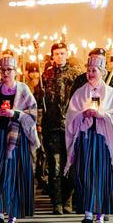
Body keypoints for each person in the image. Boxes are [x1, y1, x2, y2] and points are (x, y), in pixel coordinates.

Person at [65, 53, 113, 223]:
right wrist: (82, 115)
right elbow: (71, 116)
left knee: (101, 176)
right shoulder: (80, 93)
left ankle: (100, 214)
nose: (91, 73)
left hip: (103, 142)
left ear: (102, 72)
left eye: (94, 70)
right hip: (85, 140)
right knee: (85, 174)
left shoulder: (110, 93)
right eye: (89, 70)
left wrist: (102, 115)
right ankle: (87, 212)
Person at [0, 55, 39, 223]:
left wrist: (15, 114)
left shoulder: (23, 90)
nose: (5, 73)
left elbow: (33, 114)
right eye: (3, 70)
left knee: (15, 176)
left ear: (16, 71)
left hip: (17, 138)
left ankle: (12, 217)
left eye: (9, 70)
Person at [38, 42, 79, 214]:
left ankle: (68, 200)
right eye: (56, 54)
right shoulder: (46, 75)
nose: (60, 56)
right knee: (54, 166)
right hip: (51, 127)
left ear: (67, 54)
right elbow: (38, 103)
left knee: (69, 165)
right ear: (52, 56)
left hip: (70, 126)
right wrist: (39, 93)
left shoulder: (76, 75)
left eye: (62, 53)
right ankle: (56, 202)